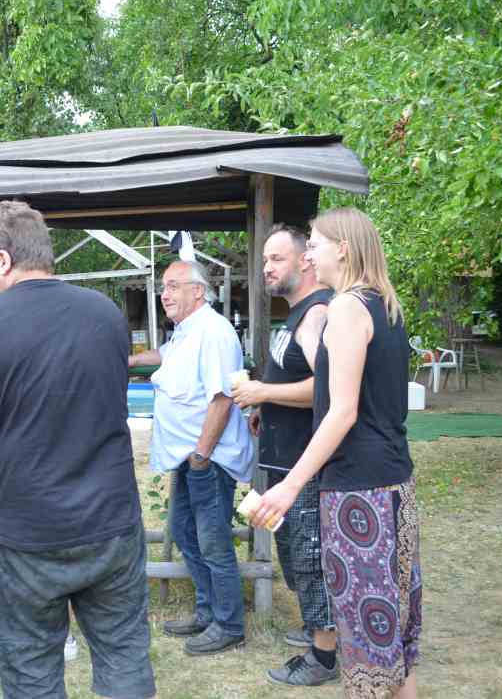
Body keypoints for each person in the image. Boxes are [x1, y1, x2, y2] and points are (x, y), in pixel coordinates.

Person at [0, 201, 156, 699]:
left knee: (31, 670)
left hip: (26, 533)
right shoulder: (105, 313)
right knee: (124, 656)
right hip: (109, 522)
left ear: (4, 260)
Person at [249, 207, 423, 699]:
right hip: (395, 483)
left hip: (359, 493)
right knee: (394, 635)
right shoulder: (384, 302)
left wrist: (290, 486)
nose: (308, 255)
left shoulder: (347, 307)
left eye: (315, 245)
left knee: (366, 641)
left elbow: (341, 412)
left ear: (342, 249)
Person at [129, 259, 254, 656]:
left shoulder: (214, 332)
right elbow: (164, 354)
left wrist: (201, 454)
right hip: (191, 458)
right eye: (163, 287)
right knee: (185, 532)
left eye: (173, 286)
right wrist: (129, 360)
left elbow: (222, 399)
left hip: (207, 458)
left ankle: (229, 624)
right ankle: (208, 611)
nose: (164, 294)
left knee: (213, 541)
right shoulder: (187, 331)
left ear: (198, 291)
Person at [233, 225, 338, 685]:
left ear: (305, 261)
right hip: (281, 458)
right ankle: (317, 628)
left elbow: (328, 387)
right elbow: (295, 379)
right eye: (265, 260)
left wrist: (264, 391)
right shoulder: (296, 314)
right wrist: (267, 406)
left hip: (305, 463)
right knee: (292, 552)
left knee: (310, 556)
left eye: (276, 259)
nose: (267, 268)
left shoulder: (317, 313)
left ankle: (325, 656)